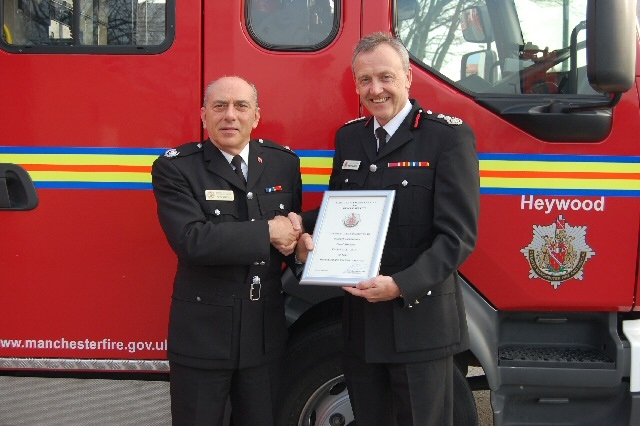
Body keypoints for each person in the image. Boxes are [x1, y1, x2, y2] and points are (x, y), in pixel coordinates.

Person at [295, 32, 480, 426]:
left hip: (420, 323)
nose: (375, 89)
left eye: (385, 77)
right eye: (364, 80)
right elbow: (342, 212)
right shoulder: (350, 138)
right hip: (362, 327)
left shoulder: (447, 137)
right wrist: (302, 229)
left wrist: (401, 285)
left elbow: (457, 237)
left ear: (408, 77)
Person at [151, 76, 303, 426]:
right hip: (204, 336)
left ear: (257, 116)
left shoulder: (283, 164)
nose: (230, 115)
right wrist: (267, 230)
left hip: (264, 336)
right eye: (219, 106)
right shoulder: (176, 168)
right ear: (204, 115)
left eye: (241, 106)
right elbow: (192, 240)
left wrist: (301, 251)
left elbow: (287, 240)